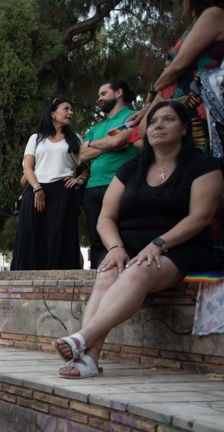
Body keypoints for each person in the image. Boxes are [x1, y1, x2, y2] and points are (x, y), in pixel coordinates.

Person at [54, 100, 224, 378]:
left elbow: (200, 217)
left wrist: (159, 243)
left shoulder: (204, 166)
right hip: (127, 245)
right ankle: (89, 360)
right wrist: (116, 247)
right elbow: (105, 218)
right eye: (154, 121)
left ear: (183, 129)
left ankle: (82, 340)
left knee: (139, 269)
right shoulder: (132, 169)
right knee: (107, 273)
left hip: (177, 247)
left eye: (168, 120)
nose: (158, 126)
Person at [131, 1, 224, 154]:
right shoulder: (194, 24)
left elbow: (178, 65)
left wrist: (152, 93)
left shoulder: (214, 13)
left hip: (194, 100)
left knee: (194, 159)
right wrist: (150, 105)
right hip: (173, 100)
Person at [12, 98, 85, 270]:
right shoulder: (36, 139)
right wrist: (37, 189)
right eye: (66, 109)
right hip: (36, 189)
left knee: (59, 236)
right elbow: (27, 167)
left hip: (63, 192)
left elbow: (85, 168)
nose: (70, 112)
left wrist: (79, 180)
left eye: (71, 109)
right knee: (30, 234)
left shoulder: (76, 139)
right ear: (53, 113)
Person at [79, 80, 141, 267]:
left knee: (120, 235)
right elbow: (82, 155)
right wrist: (112, 142)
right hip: (92, 187)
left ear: (118, 93)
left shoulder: (132, 116)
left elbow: (118, 141)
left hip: (119, 184)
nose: (99, 98)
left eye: (103, 93)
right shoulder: (95, 128)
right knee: (96, 239)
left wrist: (94, 144)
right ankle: (97, 277)